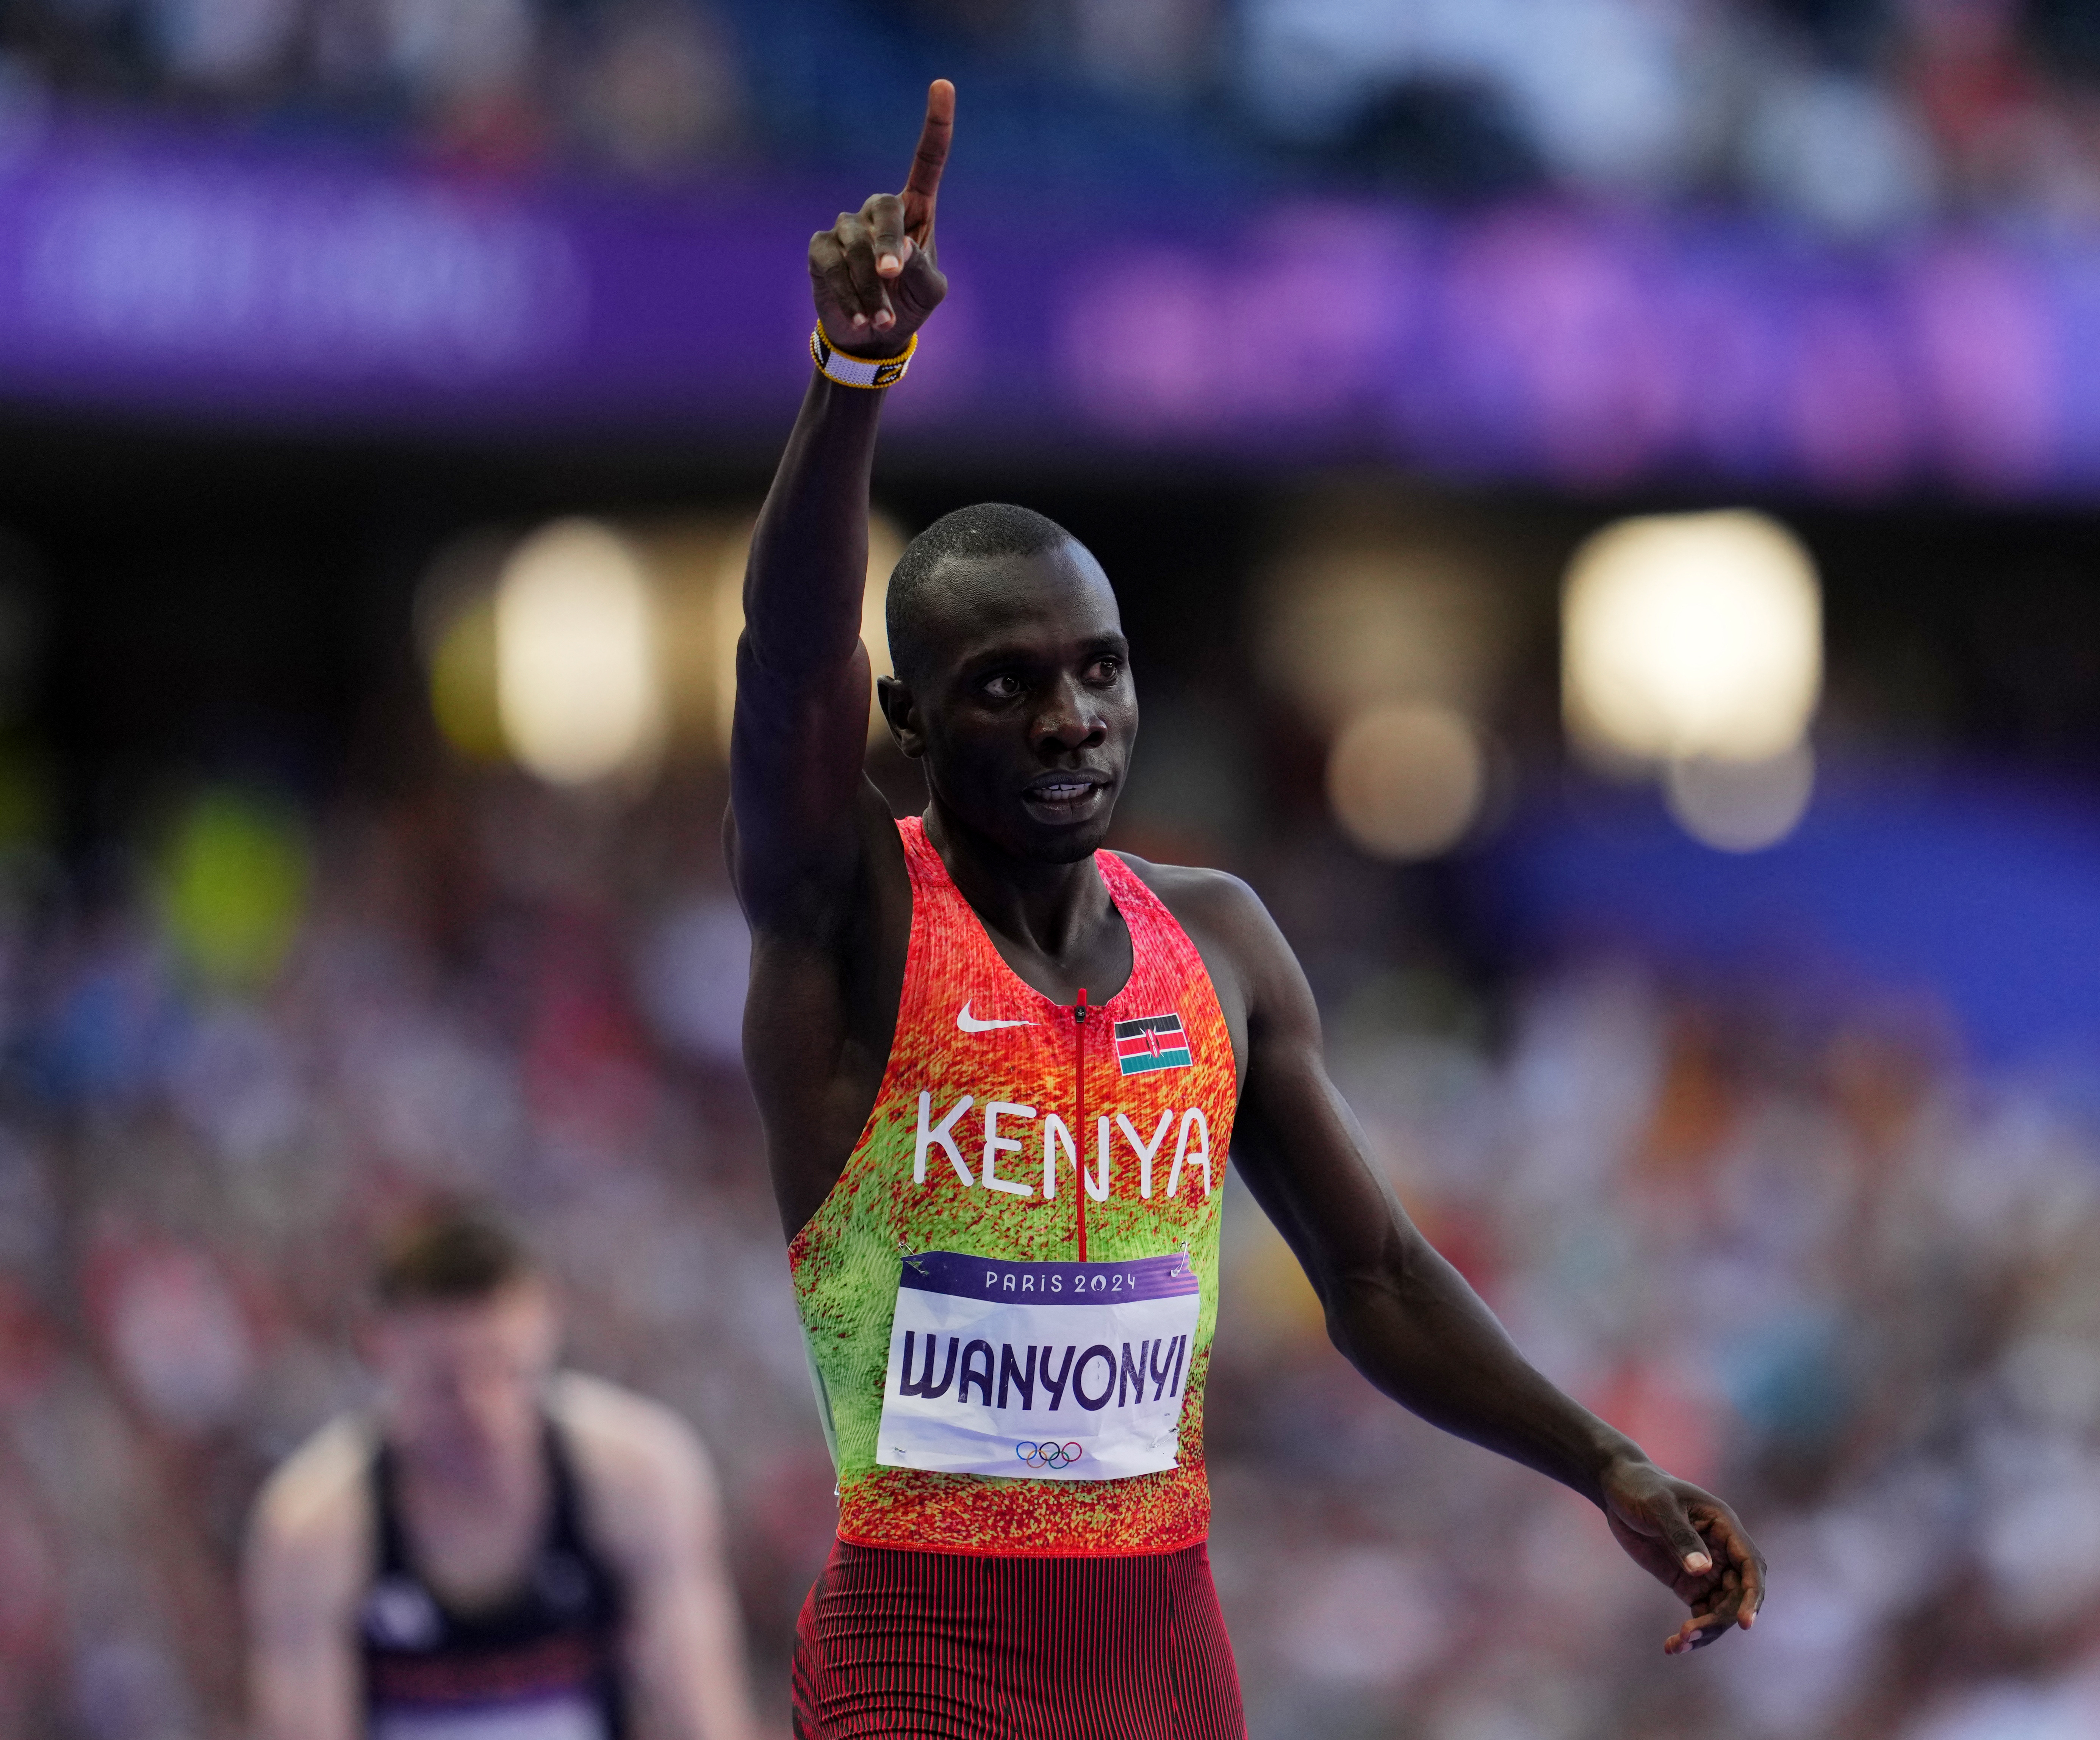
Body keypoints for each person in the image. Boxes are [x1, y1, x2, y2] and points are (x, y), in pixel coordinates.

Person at [730, 80, 1766, 1740]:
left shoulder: (1212, 939)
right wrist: (851, 380)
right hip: (921, 1678)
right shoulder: (846, 919)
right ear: (910, 724)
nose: (1071, 719)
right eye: (1004, 685)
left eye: (1099, 670)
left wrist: (1603, 1461)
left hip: (1165, 1673)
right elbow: (782, 668)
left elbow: (1373, 1273)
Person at [243, 1207, 756, 1740]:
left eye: (509, 1371)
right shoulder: (315, 1527)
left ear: (546, 1326)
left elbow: (704, 1713)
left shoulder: (639, 1477)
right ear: (376, 1346)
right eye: (445, 1384)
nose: (484, 1414)